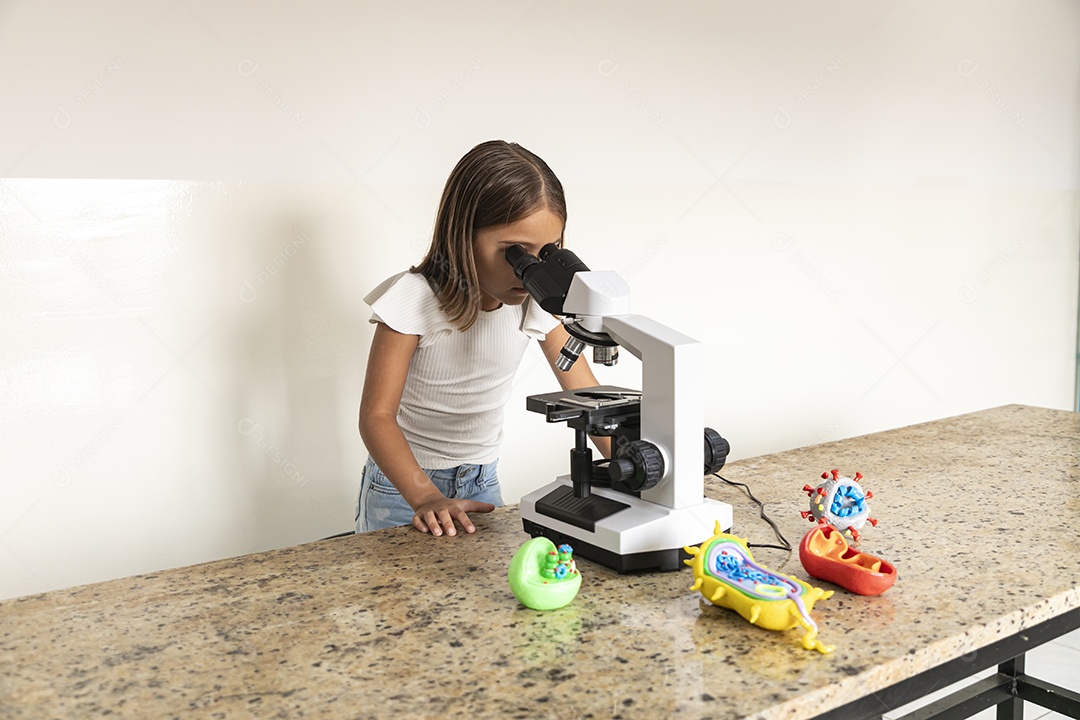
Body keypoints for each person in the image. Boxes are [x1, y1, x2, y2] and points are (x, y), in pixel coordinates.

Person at [356, 140, 610, 538]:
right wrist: (424, 496)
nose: (530, 270)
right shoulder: (412, 299)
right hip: (402, 488)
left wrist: (635, 470)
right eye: (515, 252)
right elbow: (376, 418)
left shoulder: (535, 302)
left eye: (548, 252)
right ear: (464, 235)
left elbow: (588, 398)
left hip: (482, 482)